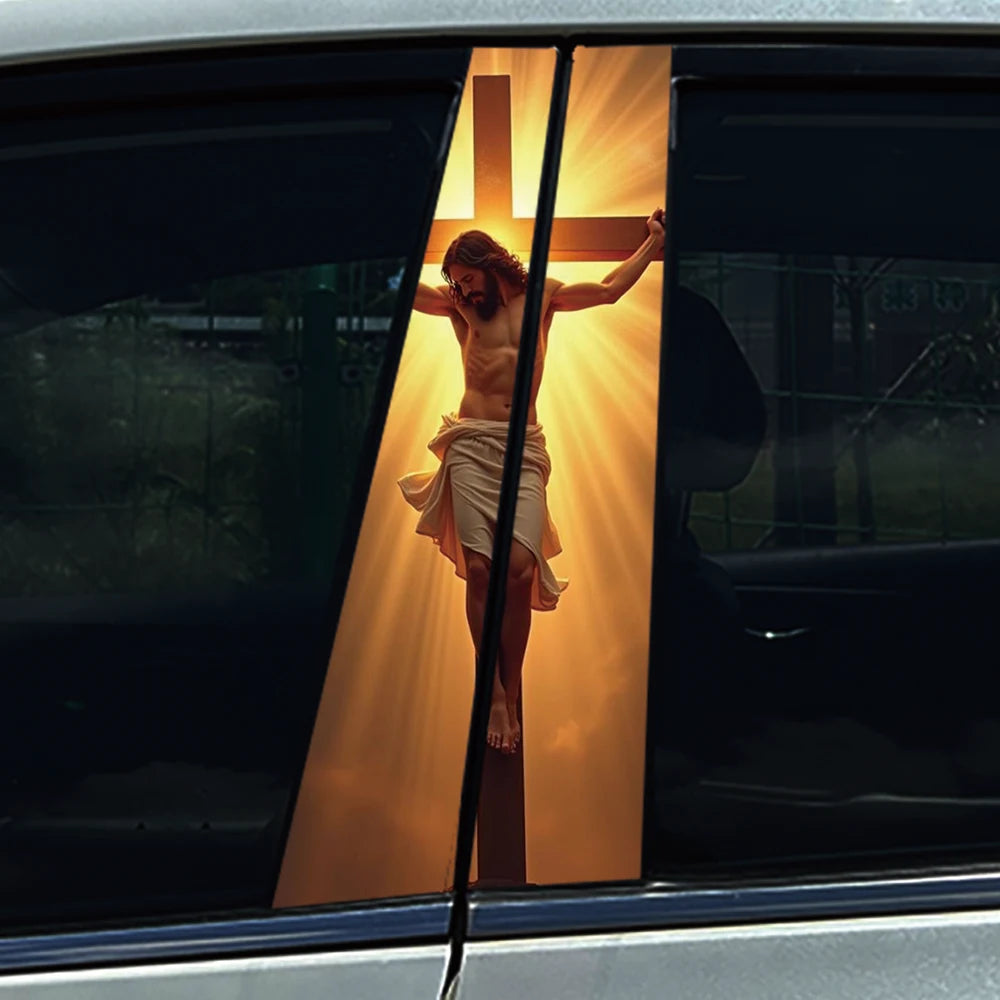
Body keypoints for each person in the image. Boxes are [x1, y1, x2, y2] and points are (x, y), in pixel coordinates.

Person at [399, 209, 665, 754]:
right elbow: (406, 291)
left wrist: (653, 242)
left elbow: (610, 290)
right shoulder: (460, 308)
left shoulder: (545, 295)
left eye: (466, 277)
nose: (462, 288)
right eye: (456, 281)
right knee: (480, 569)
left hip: (523, 449)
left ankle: (512, 686)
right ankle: (494, 693)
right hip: (471, 444)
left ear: (487, 262)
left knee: (519, 571)